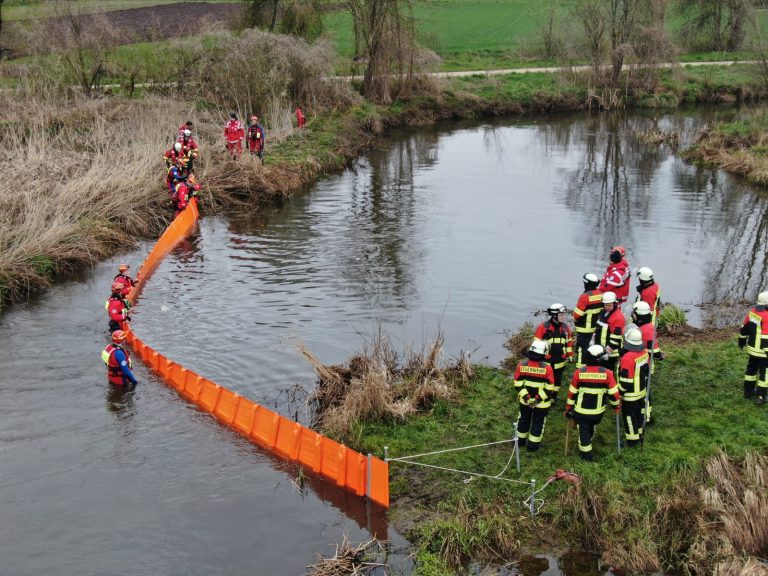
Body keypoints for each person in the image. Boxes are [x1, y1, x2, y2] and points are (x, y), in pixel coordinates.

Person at [564, 344, 621, 461]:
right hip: (598, 413)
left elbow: (572, 393)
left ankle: (586, 455)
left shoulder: (579, 373)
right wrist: (616, 407)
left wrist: (569, 408)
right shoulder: (607, 373)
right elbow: (614, 394)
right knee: (589, 427)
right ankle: (587, 447)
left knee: (584, 431)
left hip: (580, 412)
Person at [513, 340, 556, 452]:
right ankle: (532, 447)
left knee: (523, 420)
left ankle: (519, 442)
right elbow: (549, 388)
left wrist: (527, 398)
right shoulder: (547, 368)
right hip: (541, 404)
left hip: (525, 402)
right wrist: (536, 400)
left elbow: (518, 384)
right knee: (538, 423)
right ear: (543, 354)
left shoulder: (522, 365)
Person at [533, 303, 573, 401]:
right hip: (547, 360)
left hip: (560, 360)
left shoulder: (565, 328)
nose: (563, 317)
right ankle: (543, 396)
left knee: (557, 380)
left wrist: (570, 355)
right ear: (554, 315)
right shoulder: (543, 327)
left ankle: (553, 397)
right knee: (545, 379)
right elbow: (536, 344)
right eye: (561, 315)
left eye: (564, 314)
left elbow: (569, 342)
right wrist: (537, 358)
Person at [631, 300, 662, 423]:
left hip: (644, 365)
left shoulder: (647, 330)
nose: (633, 315)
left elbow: (654, 351)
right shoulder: (644, 327)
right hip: (639, 364)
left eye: (635, 313)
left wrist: (660, 356)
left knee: (644, 391)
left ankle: (646, 416)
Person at [618, 328, 649, 447]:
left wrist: (619, 393)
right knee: (639, 414)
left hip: (630, 395)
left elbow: (625, 381)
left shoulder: (627, 358)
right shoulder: (645, 352)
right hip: (641, 391)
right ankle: (639, 434)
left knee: (629, 417)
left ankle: (632, 441)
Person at [738, 291, 768, 404]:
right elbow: (765, 338)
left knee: (751, 370)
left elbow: (744, 327)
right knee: (765, 374)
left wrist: (741, 339)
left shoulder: (752, 312)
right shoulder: (767, 316)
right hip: (763, 352)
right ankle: (761, 396)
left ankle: (748, 392)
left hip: (751, 350)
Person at [573, 272, 603, 368]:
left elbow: (577, 315)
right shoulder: (601, 294)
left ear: (586, 284)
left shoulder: (584, 297)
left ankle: (580, 368)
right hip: (597, 328)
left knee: (581, 348)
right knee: (594, 347)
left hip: (584, 328)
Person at [594, 291, 625, 372]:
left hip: (611, 353)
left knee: (608, 372)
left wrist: (606, 352)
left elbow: (615, 340)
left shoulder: (618, 318)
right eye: (606, 305)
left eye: (609, 305)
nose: (607, 307)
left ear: (615, 304)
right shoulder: (603, 313)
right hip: (601, 349)